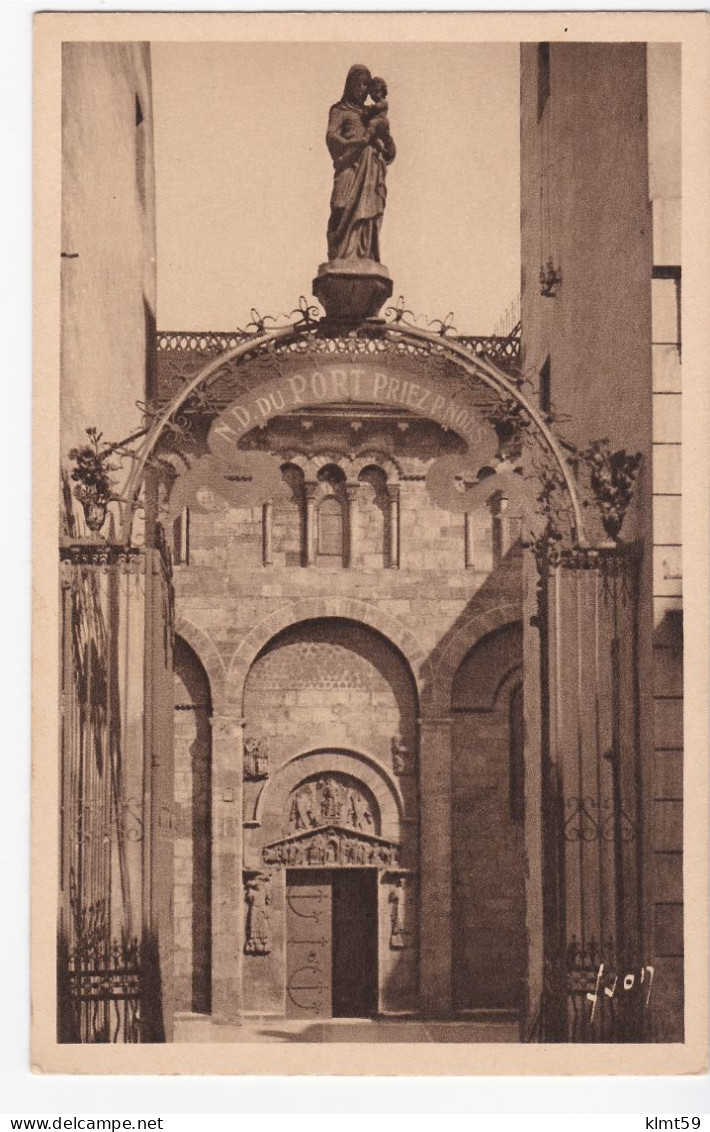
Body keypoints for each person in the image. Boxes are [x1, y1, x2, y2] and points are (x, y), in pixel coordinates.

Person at [325, 65, 396, 262]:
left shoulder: (371, 114)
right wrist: (352, 143)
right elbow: (331, 137)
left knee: (368, 216)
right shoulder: (339, 110)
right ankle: (338, 255)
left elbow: (390, 152)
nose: (365, 89)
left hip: (370, 169)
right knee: (340, 206)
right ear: (351, 84)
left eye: (367, 85)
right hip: (348, 166)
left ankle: (365, 255)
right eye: (362, 83)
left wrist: (387, 137)